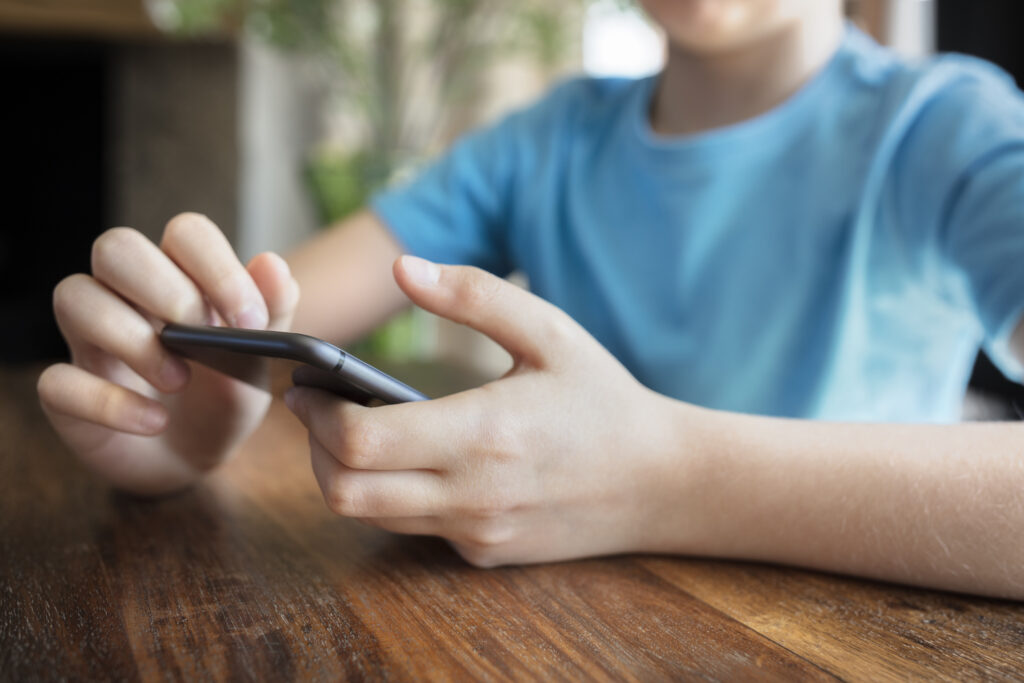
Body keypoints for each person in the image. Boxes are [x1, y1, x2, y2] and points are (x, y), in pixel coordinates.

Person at [37, 0, 1024, 599]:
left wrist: (661, 475)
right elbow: (272, 318)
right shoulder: (546, 141)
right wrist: (182, 409)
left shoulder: (948, 132)